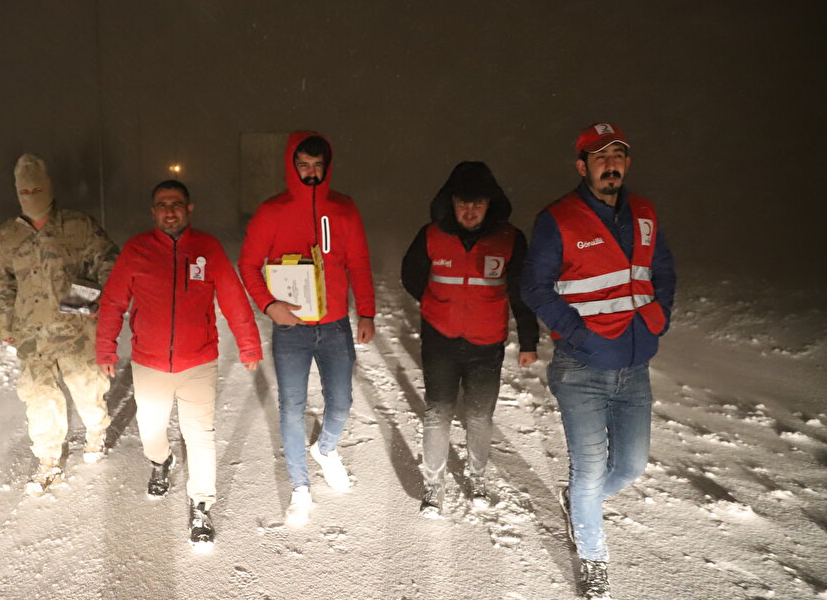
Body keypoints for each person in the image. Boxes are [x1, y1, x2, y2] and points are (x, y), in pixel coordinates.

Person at [521, 123, 675, 600]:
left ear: (626, 163)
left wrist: (657, 317)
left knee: (629, 467)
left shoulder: (645, 212)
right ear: (582, 165)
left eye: (618, 156)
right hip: (581, 367)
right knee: (588, 472)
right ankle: (593, 563)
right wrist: (578, 333)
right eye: (599, 156)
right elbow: (534, 287)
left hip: (635, 366)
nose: (610, 165)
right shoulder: (558, 218)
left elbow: (663, 270)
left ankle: (577, 503)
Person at [96, 180, 262, 545]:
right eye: (161, 204)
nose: (169, 210)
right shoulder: (137, 250)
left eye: (176, 204)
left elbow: (233, 300)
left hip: (199, 361)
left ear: (189, 209)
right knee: (152, 432)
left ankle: (201, 505)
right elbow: (112, 302)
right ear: (153, 211)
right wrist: (106, 347)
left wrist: (249, 344)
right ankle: (162, 461)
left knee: (200, 435)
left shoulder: (207, 249)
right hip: (150, 363)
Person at [238, 131, 376, 527]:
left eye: (318, 166)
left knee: (342, 403)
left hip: (334, 326)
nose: (311, 173)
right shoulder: (272, 212)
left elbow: (359, 263)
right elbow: (248, 265)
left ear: (327, 168)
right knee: (292, 408)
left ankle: (326, 450)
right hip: (291, 331)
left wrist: (366, 312)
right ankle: (300, 488)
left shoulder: (344, 209)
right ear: (292, 167)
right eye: (304, 166)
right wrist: (269, 305)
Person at [400, 161, 539, 516]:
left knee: (479, 417)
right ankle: (434, 485)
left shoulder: (509, 239)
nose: (470, 211)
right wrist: (435, 304)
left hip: (486, 344)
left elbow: (522, 292)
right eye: (463, 203)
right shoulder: (431, 235)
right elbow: (411, 275)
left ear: (490, 204)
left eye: (478, 203)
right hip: (441, 341)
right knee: (438, 413)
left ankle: (477, 477)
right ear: (451, 202)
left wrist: (527, 341)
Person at [0, 153, 119, 495]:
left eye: (37, 188)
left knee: (88, 390)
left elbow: (110, 263)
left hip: (75, 331)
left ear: (49, 187)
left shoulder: (77, 224)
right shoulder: (9, 235)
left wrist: (85, 300)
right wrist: (5, 325)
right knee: (39, 398)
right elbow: (2, 282)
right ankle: (48, 459)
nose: (31, 194)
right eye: (25, 190)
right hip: (31, 335)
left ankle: (95, 432)